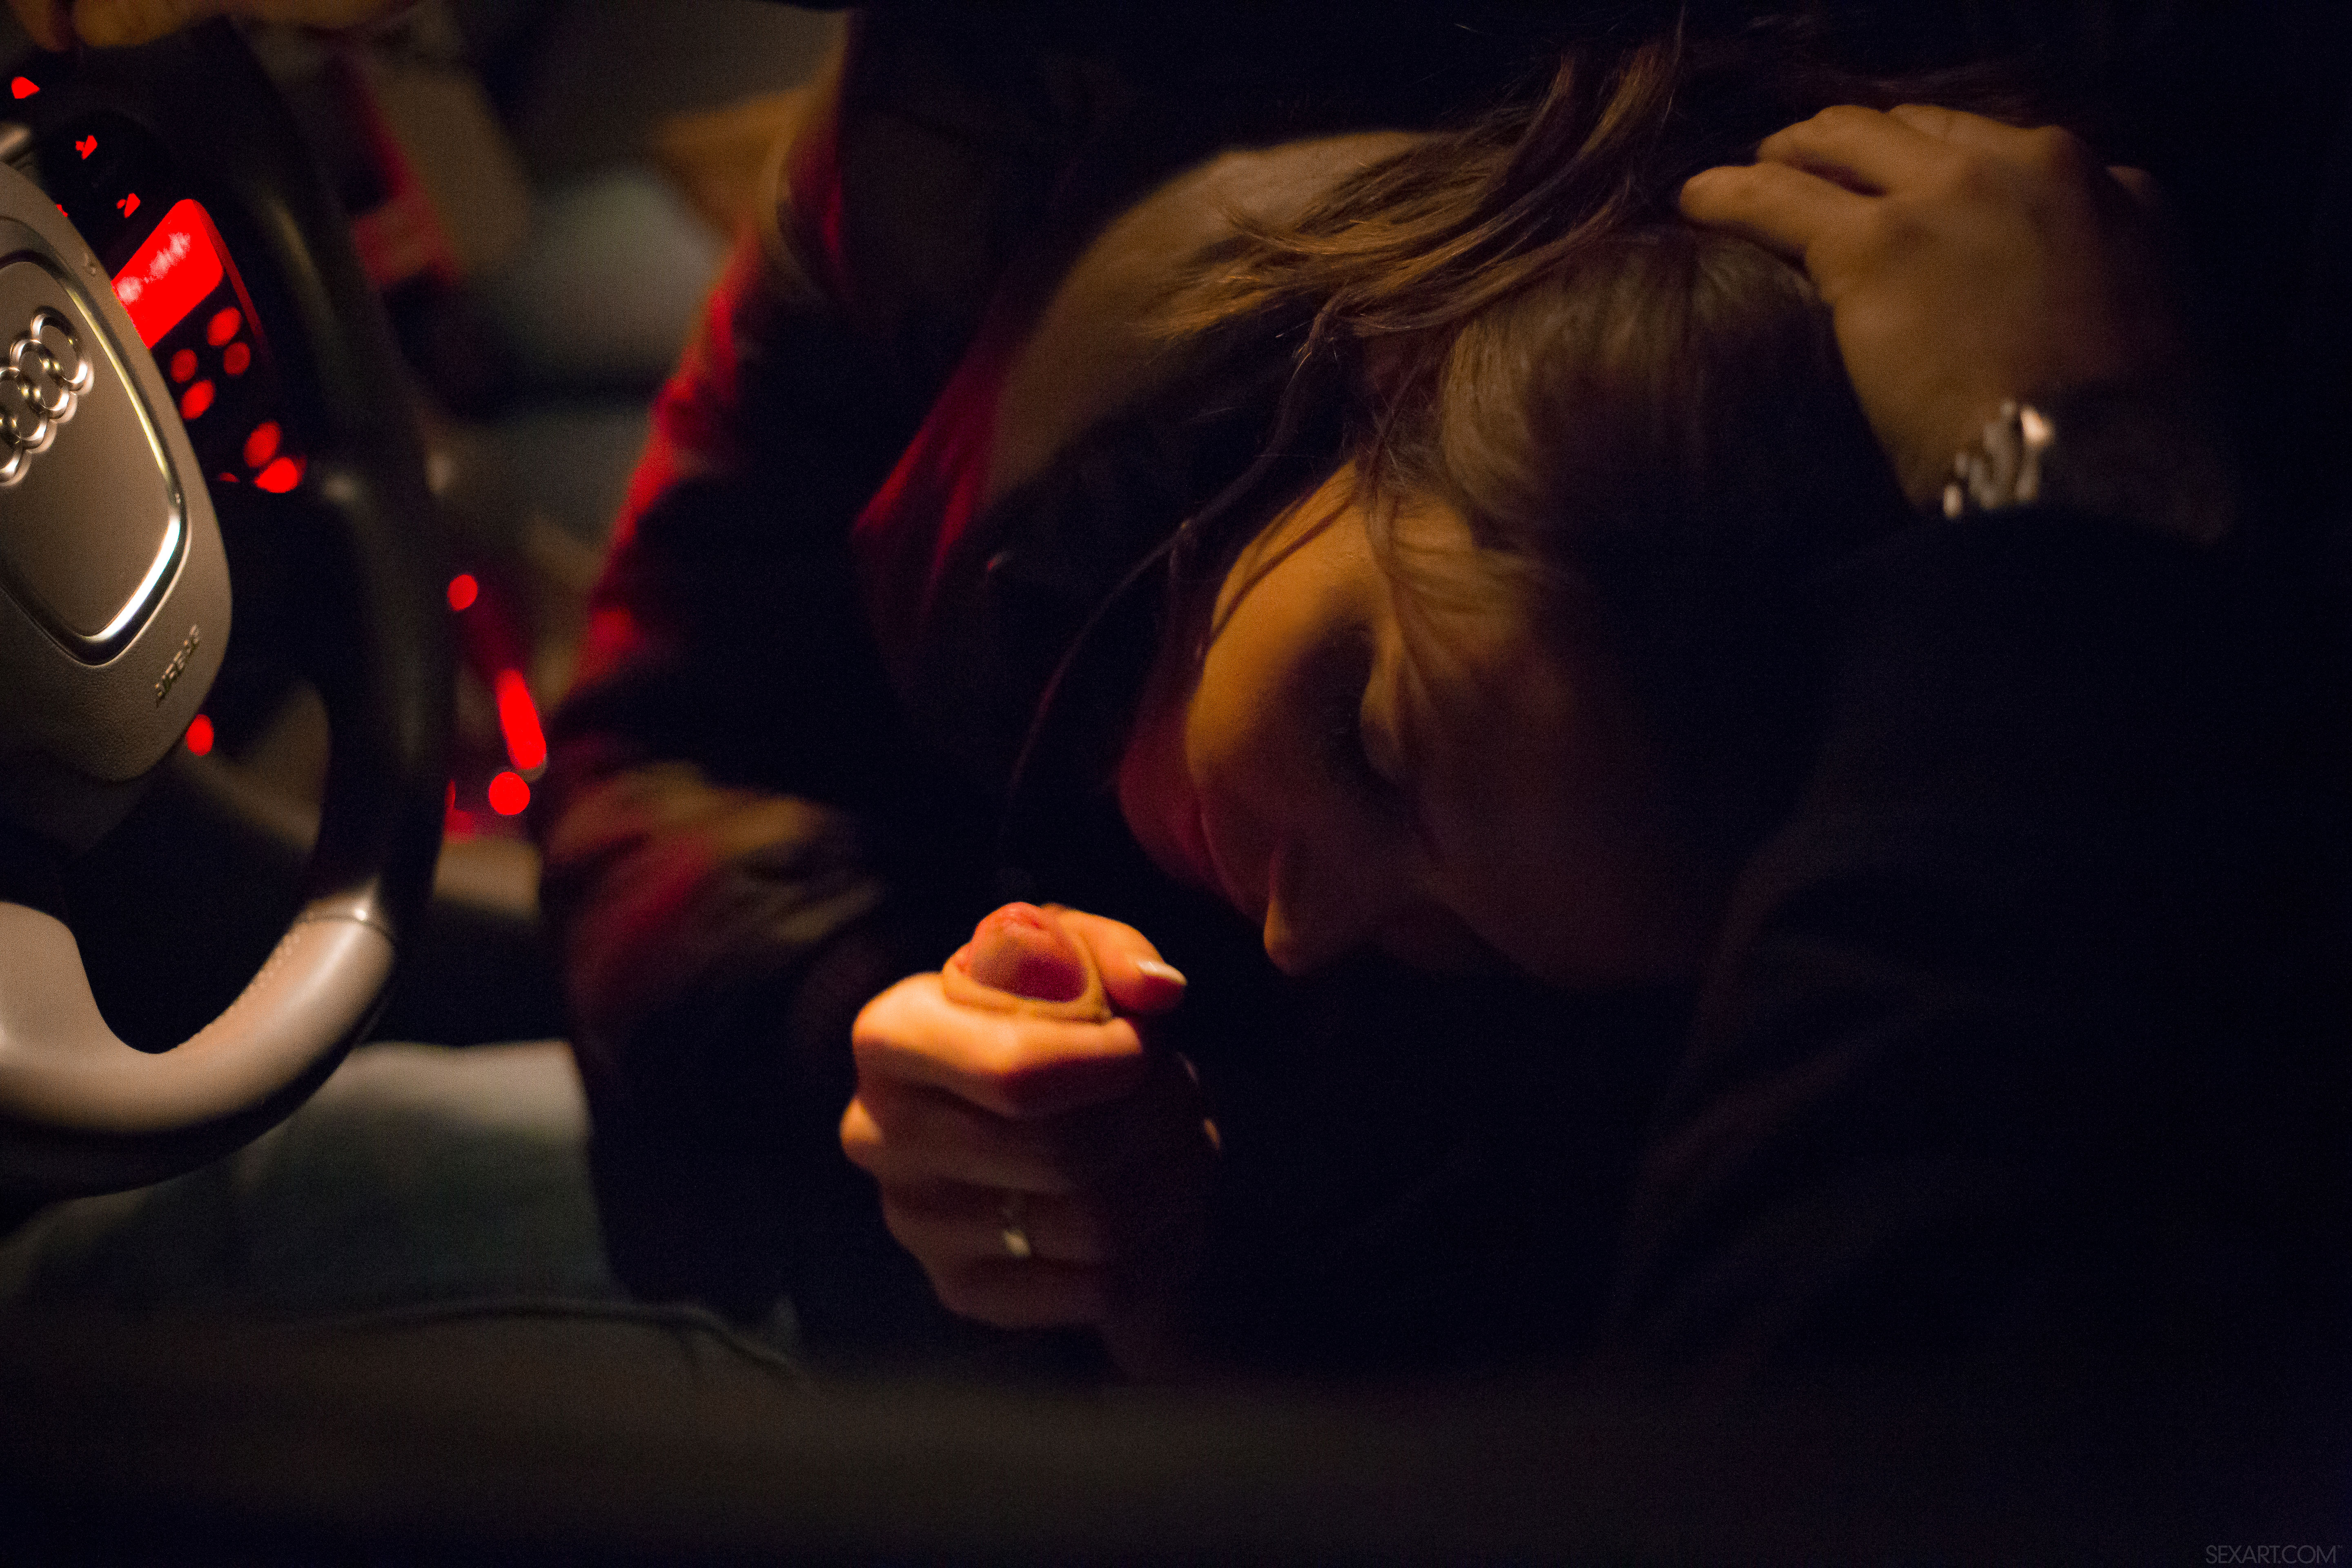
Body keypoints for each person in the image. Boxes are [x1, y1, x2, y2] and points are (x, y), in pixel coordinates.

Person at [528, 5, 2348, 1392]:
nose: (1302, 931)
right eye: (1377, 749)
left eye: (1467, 944)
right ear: (1399, 368)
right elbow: (657, 750)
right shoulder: (1003, 114)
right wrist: (858, 1017)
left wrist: (1182, 1272)